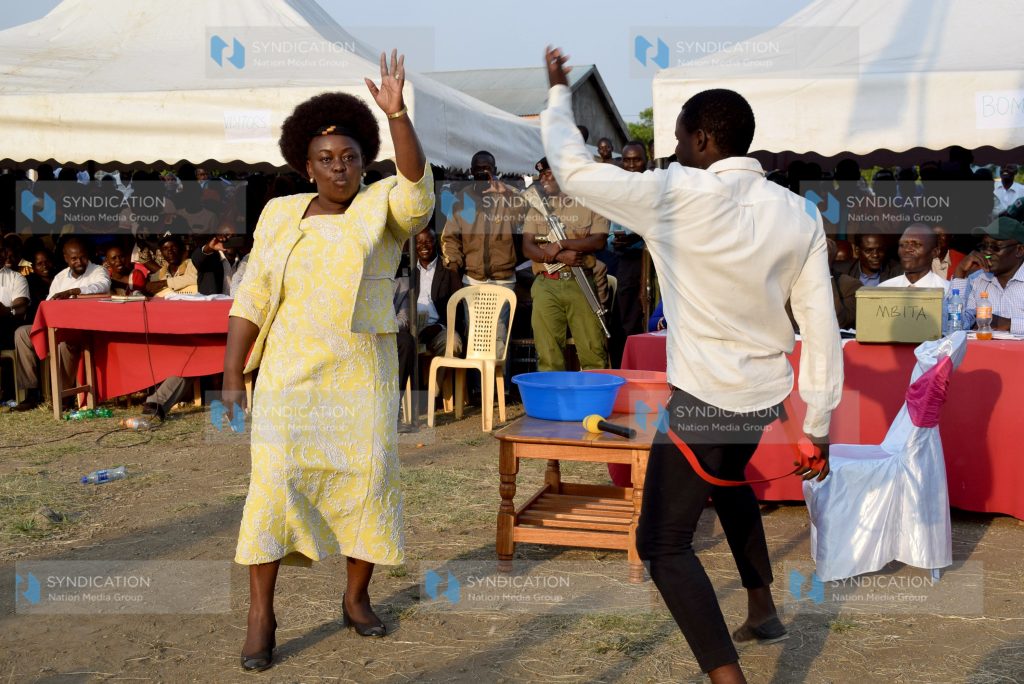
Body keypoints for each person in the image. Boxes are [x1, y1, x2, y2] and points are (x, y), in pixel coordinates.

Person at [540, 47, 842, 684]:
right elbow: (819, 325)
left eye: (678, 137)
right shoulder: (799, 212)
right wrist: (816, 426)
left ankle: (726, 679)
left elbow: (570, 170)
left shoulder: (675, 193)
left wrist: (560, 96)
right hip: (764, 398)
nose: (673, 149)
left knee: (663, 543)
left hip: (708, 397)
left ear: (704, 139)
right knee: (729, 488)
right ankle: (761, 608)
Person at [222, 50, 433, 672]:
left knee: (366, 480)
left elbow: (417, 191)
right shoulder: (279, 213)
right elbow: (254, 292)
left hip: (361, 371)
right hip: (289, 373)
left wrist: (396, 114)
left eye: (349, 157)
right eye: (325, 159)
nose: (338, 168)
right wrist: (233, 374)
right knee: (273, 485)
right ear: (305, 164)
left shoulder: (383, 208)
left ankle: (356, 597)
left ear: (365, 160)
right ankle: (262, 613)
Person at [522, 156, 610, 371]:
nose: (543, 179)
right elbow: (527, 247)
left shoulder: (590, 202)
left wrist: (561, 244)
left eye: (548, 174)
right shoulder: (538, 206)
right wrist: (558, 256)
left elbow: (598, 240)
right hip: (546, 285)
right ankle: (555, 404)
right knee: (548, 355)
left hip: (579, 283)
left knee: (593, 352)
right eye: (541, 175)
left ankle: (594, 404)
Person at [11, 238, 111, 411]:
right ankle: (31, 392)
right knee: (22, 333)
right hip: (57, 325)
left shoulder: (98, 271)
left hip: (83, 329)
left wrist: (74, 292)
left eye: (82, 257)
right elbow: (49, 302)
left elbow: (102, 286)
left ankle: (64, 395)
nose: (79, 262)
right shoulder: (60, 277)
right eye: (74, 258)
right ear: (66, 258)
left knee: (64, 342)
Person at [949, 214, 1024, 333]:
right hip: (986, 351)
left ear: (1019, 250)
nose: (987, 253)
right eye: (984, 246)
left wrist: (1009, 324)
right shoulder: (977, 280)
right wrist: (960, 273)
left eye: (995, 247)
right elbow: (954, 327)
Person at [608, 141, 650, 343]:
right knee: (628, 319)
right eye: (627, 160)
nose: (632, 165)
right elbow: (609, 234)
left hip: (653, 261)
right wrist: (614, 242)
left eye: (636, 160)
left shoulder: (655, 190)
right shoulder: (617, 194)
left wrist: (637, 239)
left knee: (652, 314)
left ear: (646, 160)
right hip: (625, 261)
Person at [879, 223, 950, 291]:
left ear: (934, 252)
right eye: (902, 245)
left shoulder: (948, 292)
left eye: (916, 245)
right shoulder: (883, 289)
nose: (907, 249)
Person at [835, 233, 900, 286]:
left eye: (880, 250)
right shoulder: (841, 272)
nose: (875, 255)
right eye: (868, 251)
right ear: (857, 251)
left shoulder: (898, 272)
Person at [0, 241, 30, 350]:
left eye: (2, 250)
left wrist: (6, 310)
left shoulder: (17, 278)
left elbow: (21, 307)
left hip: (5, 326)